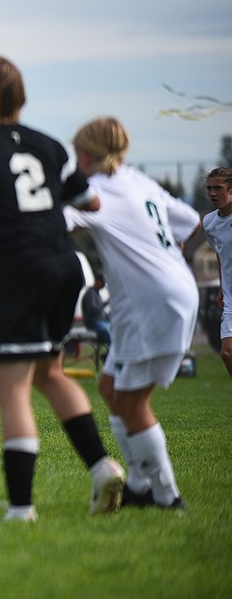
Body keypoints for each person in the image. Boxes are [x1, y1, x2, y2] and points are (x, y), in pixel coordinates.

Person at [0, 56, 123, 522]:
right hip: (65, 266)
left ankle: (21, 508)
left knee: (12, 390)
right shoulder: (50, 146)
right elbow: (93, 201)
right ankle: (102, 467)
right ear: (20, 96)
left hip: (22, 275)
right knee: (50, 373)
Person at [64, 116, 198, 510]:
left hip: (149, 302)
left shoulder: (97, 191)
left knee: (132, 403)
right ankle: (139, 486)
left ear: (86, 154)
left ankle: (167, 496)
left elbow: (59, 224)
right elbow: (188, 221)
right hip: (168, 289)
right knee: (110, 389)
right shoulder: (138, 180)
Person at [202, 166, 232, 380]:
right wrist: (222, 289)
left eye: (218, 188)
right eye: (209, 188)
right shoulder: (210, 223)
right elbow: (221, 256)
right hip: (231, 297)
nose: (212, 193)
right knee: (227, 353)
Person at [80, 274, 111, 346]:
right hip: (93, 322)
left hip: (100, 321)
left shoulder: (96, 293)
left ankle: (110, 352)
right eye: (102, 282)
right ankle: (113, 351)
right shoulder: (90, 293)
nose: (103, 285)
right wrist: (105, 304)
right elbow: (92, 310)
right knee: (107, 330)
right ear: (97, 281)